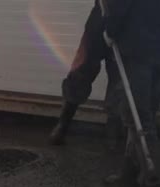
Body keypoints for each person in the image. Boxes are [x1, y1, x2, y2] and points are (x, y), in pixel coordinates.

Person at [103, 0, 160, 187]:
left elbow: (119, 7)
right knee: (145, 113)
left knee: (137, 116)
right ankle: (130, 174)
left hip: (140, 49)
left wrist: (110, 30)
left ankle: (155, 179)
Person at [49, 1, 123, 147]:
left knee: (118, 80)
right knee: (82, 72)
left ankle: (112, 137)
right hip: (103, 19)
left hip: (122, 23)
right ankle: (62, 126)